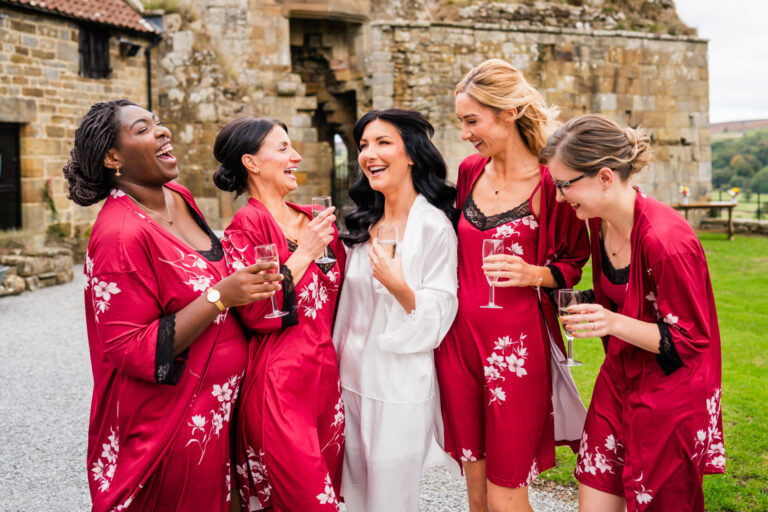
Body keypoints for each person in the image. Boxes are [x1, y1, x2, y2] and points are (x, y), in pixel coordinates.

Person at [64, 100, 282, 511]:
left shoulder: (177, 195)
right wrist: (221, 296)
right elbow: (128, 348)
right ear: (113, 158)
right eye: (143, 129)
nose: (163, 131)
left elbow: (205, 272)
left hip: (225, 409)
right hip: (172, 424)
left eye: (159, 123)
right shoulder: (119, 234)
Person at [540, 114, 724, 512]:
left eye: (564, 185)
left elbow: (691, 340)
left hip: (670, 398)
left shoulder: (667, 241)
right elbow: (625, 297)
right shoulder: (599, 223)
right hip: (618, 381)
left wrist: (612, 322)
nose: (559, 198)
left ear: (605, 177)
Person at [434, 59, 591, 512]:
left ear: (508, 113)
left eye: (472, 121)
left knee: (507, 489)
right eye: (461, 121)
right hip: (458, 343)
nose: (465, 133)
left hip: (516, 349)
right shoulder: (469, 170)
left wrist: (533, 274)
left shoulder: (550, 182)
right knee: (476, 488)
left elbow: (573, 264)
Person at [212, 117, 346, 511]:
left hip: (325, 381)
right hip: (280, 385)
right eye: (284, 148)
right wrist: (304, 252)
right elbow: (255, 311)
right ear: (251, 163)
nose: (297, 156)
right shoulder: (247, 225)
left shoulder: (312, 217)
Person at [332, 109, 459, 511]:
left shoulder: (434, 226)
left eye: (383, 142)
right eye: (363, 145)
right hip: (348, 379)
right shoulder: (361, 225)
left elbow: (442, 310)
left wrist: (397, 285)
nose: (368, 153)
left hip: (398, 384)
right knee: (351, 495)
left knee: (390, 500)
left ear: (412, 155)